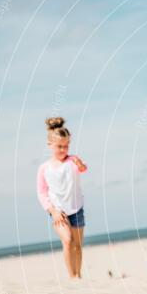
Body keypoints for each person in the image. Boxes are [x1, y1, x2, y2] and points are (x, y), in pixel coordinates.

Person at [36, 117, 88, 278]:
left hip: (76, 209)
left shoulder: (72, 161)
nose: (63, 150)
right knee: (68, 240)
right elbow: (42, 192)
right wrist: (53, 211)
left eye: (66, 146)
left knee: (78, 246)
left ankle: (78, 275)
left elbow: (83, 169)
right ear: (50, 145)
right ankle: (72, 276)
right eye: (60, 146)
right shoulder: (44, 168)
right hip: (58, 212)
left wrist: (80, 165)